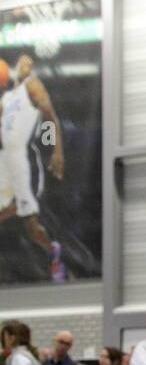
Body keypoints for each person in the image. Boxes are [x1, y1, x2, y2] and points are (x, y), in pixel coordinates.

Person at [0, 55, 67, 280]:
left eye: (28, 61)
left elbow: (50, 118)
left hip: (23, 159)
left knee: (31, 225)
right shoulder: (9, 96)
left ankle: (53, 254)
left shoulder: (32, 84)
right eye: (21, 61)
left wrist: (55, 149)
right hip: (5, 159)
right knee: (15, 215)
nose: (24, 63)